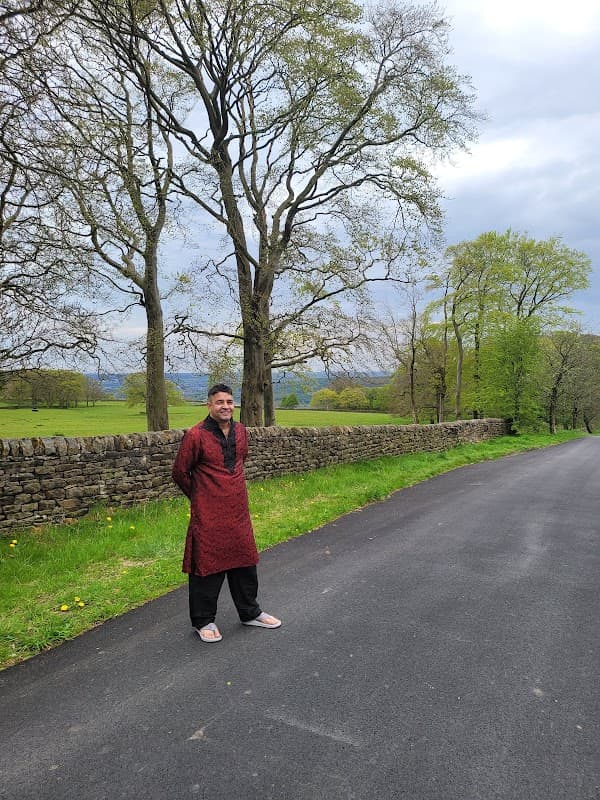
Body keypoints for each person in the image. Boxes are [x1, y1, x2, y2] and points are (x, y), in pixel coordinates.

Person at [171, 383, 281, 643]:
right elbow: (180, 472)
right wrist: (201, 497)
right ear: (209, 405)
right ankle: (203, 621)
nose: (225, 406)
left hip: (238, 511)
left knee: (245, 561)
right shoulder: (196, 435)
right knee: (207, 566)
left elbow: (240, 460)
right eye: (219, 402)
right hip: (208, 514)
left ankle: (250, 612)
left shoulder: (241, 431)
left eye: (230, 402)